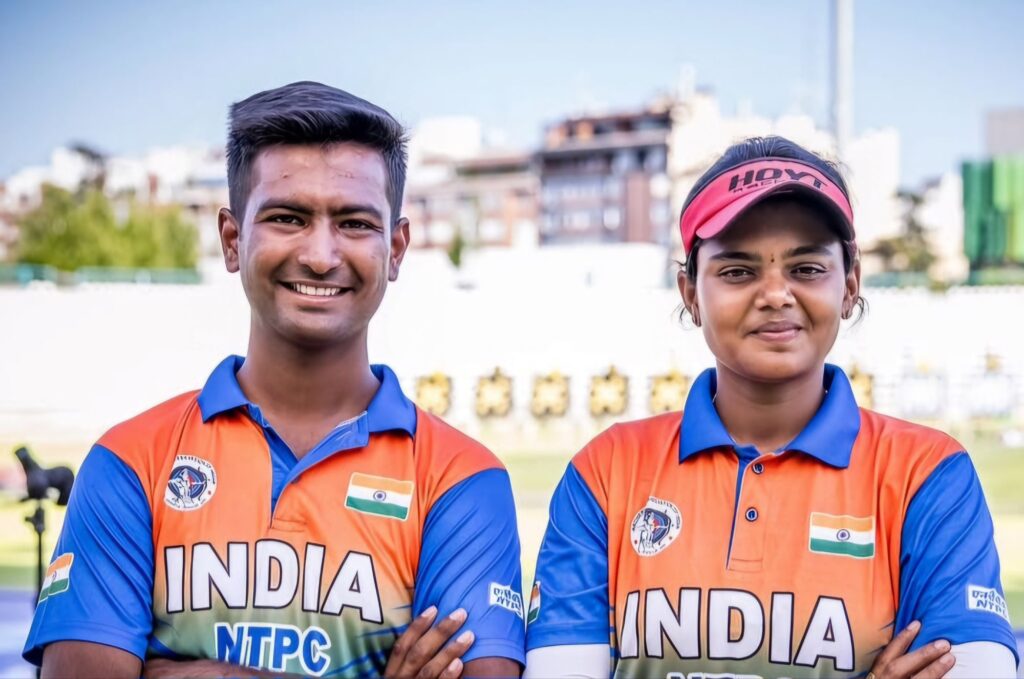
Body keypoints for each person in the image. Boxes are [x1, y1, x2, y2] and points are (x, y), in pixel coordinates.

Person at [24, 81, 525, 679]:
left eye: (354, 223)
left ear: (396, 248)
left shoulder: (461, 479)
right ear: (233, 239)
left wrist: (185, 673)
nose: (320, 254)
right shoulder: (132, 459)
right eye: (288, 218)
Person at [524, 136, 1019, 678]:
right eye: (738, 271)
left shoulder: (929, 476)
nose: (776, 294)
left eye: (806, 269)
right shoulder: (607, 470)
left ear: (850, 283)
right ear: (690, 292)